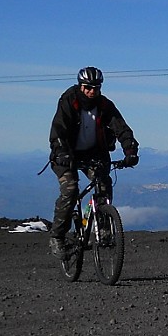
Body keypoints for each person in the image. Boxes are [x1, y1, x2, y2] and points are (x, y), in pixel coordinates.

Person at [48, 67, 139, 258]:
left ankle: (104, 228)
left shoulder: (105, 106)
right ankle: (57, 237)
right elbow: (58, 131)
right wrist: (61, 153)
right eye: (88, 87)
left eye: (96, 88)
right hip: (66, 155)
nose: (91, 91)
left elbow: (121, 128)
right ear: (80, 86)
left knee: (104, 184)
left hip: (94, 154)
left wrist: (130, 150)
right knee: (70, 190)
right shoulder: (68, 100)